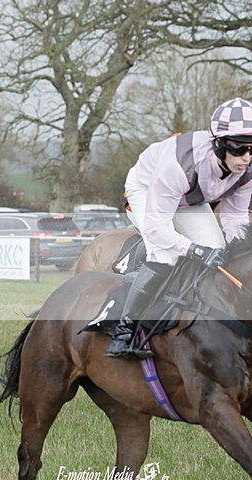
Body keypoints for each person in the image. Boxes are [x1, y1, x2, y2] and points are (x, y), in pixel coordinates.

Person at [106, 97, 252, 358]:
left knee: (217, 248)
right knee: (165, 252)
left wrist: (234, 251)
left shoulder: (247, 169)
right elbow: (157, 229)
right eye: (239, 149)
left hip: (189, 198)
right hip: (147, 188)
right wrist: (194, 250)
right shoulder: (180, 164)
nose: (246, 158)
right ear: (218, 143)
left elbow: (235, 218)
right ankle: (124, 331)